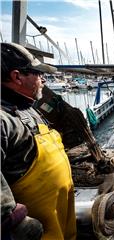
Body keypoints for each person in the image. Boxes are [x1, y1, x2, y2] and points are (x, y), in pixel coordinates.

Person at [1, 42, 76, 239]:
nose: (43, 79)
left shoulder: (28, 108)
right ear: (17, 76)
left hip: (59, 220)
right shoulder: (3, 119)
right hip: (40, 229)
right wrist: (14, 220)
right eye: (37, 73)